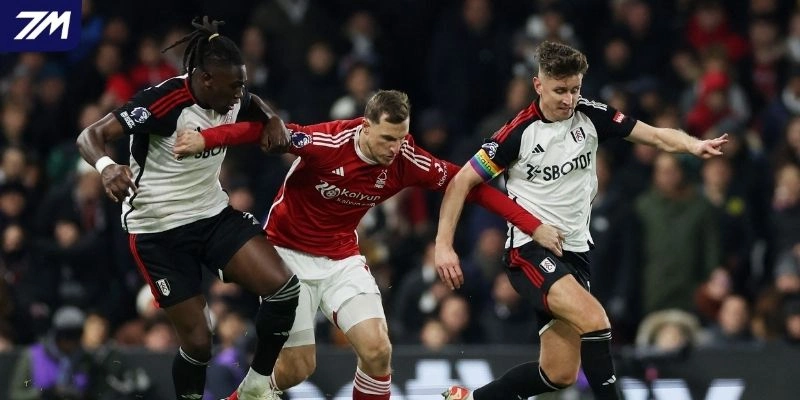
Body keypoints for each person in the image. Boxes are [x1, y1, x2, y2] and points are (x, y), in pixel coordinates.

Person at [173, 89, 564, 400]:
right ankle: (247, 396)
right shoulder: (327, 143)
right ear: (365, 126)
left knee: (378, 351)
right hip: (286, 258)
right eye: (386, 138)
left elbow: (469, 185)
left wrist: (533, 225)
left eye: (401, 137)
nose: (394, 147)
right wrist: (205, 139)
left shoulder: (405, 159)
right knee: (297, 369)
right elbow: (261, 132)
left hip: (341, 256)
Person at [434, 41, 729, 400]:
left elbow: (652, 135)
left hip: (574, 252)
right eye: (560, 90)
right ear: (538, 85)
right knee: (596, 320)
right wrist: (444, 245)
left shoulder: (592, 115)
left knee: (559, 374)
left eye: (575, 90)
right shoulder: (516, 134)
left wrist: (693, 145)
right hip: (528, 251)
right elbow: (461, 181)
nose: (568, 99)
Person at [75, 17, 300, 400]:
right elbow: (90, 135)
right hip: (157, 230)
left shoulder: (229, 94)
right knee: (199, 344)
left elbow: (253, 103)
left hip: (211, 214)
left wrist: (272, 118)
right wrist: (107, 166)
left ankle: (258, 386)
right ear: (205, 79)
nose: (239, 94)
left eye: (242, 84)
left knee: (284, 290)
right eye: (233, 86)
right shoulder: (163, 103)